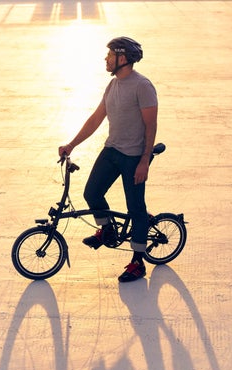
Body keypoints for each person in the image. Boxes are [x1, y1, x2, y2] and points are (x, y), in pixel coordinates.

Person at [58, 37, 158, 283]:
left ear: (122, 59)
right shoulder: (112, 85)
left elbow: (151, 125)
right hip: (112, 150)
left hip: (133, 156)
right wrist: (71, 144)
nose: (106, 58)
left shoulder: (142, 86)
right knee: (92, 193)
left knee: (136, 208)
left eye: (110, 55)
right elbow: (95, 119)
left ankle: (138, 263)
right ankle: (109, 230)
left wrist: (145, 160)